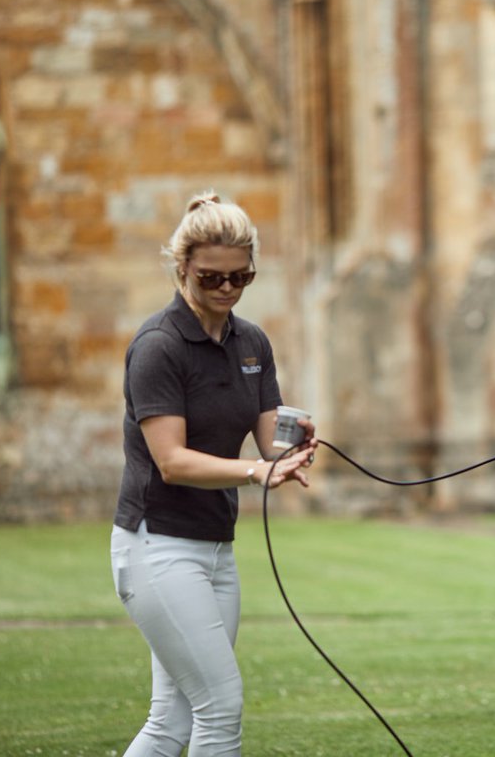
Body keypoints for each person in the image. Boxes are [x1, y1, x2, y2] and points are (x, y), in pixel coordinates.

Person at [110, 192, 317, 756]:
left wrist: (294, 447)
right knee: (219, 707)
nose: (227, 290)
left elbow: (269, 437)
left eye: (240, 278)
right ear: (181, 269)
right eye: (211, 278)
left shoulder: (251, 342)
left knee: (171, 722)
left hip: (216, 549)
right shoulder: (159, 347)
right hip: (157, 548)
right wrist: (254, 472)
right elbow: (172, 462)